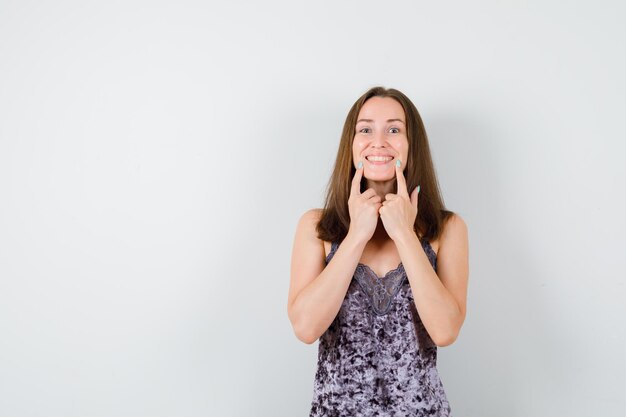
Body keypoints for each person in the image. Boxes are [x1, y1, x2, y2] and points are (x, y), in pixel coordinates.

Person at [287, 86, 469, 416]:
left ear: (412, 144)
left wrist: (404, 234)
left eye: (394, 129)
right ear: (352, 144)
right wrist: (356, 235)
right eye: (366, 128)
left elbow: (445, 331)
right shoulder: (316, 227)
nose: (379, 141)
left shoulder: (449, 229)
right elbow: (305, 327)